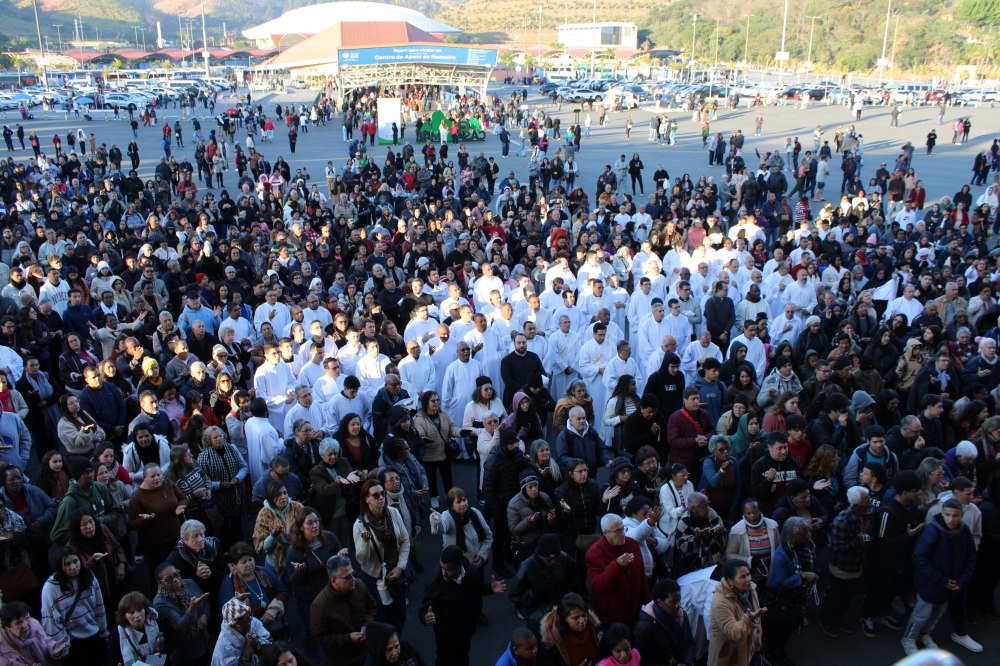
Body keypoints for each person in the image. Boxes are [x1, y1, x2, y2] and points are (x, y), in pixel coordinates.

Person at [902, 497, 982, 654]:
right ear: (942, 513)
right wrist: (942, 580)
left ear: (962, 515)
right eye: (947, 515)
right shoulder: (932, 531)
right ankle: (909, 638)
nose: (951, 519)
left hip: (950, 585)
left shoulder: (964, 531)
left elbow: (970, 557)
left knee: (938, 613)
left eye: (955, 515)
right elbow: (919, 558)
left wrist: (962, 580)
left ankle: (924, 634)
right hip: (931, 584)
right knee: (921, 614)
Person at [419, 544, 507, 666]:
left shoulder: (470, 572)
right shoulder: (435, 584)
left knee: (463, 657)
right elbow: (424, 610)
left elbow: (477, 588)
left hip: (466, 631)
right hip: (447, 637)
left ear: (459, 566)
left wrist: (490, 588)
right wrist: (425, 618)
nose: (444, 573)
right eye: (442, 568)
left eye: (449, 570)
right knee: (445, 661)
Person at [286, 507, 348, 659]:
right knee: (312, 633)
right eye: (309, 523)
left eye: (316, 521)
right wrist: (300, 571)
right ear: (301, 527)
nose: (315, 526)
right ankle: (312, 661)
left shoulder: (329, 537)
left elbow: (344, 565)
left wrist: (341, 556)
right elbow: (293, 582)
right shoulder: (295, 550)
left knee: (335, 628)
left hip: (331, 594)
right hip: (309, 601)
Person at [353, 479, 409, 634]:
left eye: (383, 493)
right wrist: (365, 542)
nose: (381, 497)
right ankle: (384, 645)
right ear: (366, 499)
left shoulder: (393, 513)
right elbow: (361, 560)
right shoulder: (360, 524)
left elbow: (405, 541)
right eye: (376, 495)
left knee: (399, 614)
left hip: (396, 571)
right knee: (380, 617)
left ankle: (395, 643)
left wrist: (400, 566)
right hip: (375, 577)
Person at [818, 485, 872, 638]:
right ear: (856, 506)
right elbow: (839, 548)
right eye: (867, 501)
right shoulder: (842, 521)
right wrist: (859, 539)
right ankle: (827, 620)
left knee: (848, 597)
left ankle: (838, 617)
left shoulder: (867, 516)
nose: (870, 503)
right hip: (843, 568)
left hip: (858, 566)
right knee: (836, 597)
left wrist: (865, 537)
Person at [766, 517, 820, 666]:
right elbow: (779, 584)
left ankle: (781, 652)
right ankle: (772, 654)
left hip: (799, 597)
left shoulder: (809, 544)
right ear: (792, 535)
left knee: (788, 628)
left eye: (808, 531)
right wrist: (801, 576)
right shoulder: (782, 554)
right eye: (804, 534)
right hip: (784, 598)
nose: (808, 535)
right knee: (778, 629)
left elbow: (812, 564)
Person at [40, 545, 108, 662]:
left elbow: (99, 606)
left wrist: (102, 632)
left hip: (93, 635)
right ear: (60, 566)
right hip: (72, 642)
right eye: (67, 564)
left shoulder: (88, 575)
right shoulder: (51, 587)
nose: (73, 567)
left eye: (75, 561)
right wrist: (63, 648)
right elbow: (50, 620)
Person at [309, 553, 376, 666]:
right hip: (339, 660)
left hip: (365, 652)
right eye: (347, 577)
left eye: (353, 574)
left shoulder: (359, 585)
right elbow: (318, 637)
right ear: (334, 581)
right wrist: (348, 638)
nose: (353, 579)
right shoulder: (320, 605)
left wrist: (366, 625)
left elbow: (372, 607)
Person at [586, 513, 650, 625]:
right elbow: (597, 585)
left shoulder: (632, 544)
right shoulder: (593, 554)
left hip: (635, 612)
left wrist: (648, 604)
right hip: (610, 618)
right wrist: (617, 565)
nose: (623, 534)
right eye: (618, 531)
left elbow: (642, 577)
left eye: (623, 529)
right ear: (605, 533)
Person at [509, 533, 585, 626]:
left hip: (563, 611)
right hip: (538, 617)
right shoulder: (526, 568)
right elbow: (517, 598)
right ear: (540, 554)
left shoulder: (564, 559)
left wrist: (569, 602)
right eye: (549, 559)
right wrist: (536, 592)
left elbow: (574, 583)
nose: (553, 562)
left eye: (555, 558)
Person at [220, 542, 290, 642]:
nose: (249, 564)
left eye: (250, 559)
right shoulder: (229, 583)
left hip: (275, 628)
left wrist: (272, 611)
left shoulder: (263, 572)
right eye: (243, 562)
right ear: (234, 565)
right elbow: (227, 613)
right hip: (251, 636)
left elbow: (283, 592)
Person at [707, 559, 765, 666]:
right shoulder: (719, 601)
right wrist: (749, 620)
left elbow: (757, 621)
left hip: (747, 652)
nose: (749, 579)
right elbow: (733, 632)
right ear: (730, 581)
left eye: (748, 574)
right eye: (743, 577)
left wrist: (757, 641)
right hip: (727, 658)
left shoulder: (751, 589)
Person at [153, 561, 211, 666]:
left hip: (202, 647)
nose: (175, 580)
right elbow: (181, 627)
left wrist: (205, 614)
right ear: (160, 583)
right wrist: (192, 607)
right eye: (168, 579)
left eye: (176, 574)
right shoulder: (160, 603)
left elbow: (204, 601)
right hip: (182, 657)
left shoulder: (189, 583)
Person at [253, 479, 305, 580]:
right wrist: (273, 536)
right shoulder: (264, 514)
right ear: (271, 497)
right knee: (280, 588)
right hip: (275, 563)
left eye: (285, 493)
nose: (283, 497)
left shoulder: (297, 507)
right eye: (279, 494)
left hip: (297, 558)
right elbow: (261, 547)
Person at [430, 486, 494, 567]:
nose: (463, 504)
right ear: (451, 506)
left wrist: (482, 554)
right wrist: (437, 520)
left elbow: (488, 536)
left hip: (477, 564)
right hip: (458, 567)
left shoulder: (475, 512)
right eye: (458, 502)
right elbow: (441, 528)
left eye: (464, 500)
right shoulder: (447, 516)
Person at [508, 469, 557, 562]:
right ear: (524, 488)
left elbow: (552, 525)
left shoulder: (545, 498)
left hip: (544, 543)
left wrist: (552, 519)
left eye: (535, 485)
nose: (534, 489)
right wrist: (528, 521)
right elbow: (513, 530)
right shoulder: (514, 504)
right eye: (530, 487)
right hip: (527, 546)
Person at [539, 593, 600, 666]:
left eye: (584, 615)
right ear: (565, 618)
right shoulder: (552, 642)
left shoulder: (595, 627)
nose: (582, 621)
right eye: (576, 618)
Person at [0, 600, 68, 666]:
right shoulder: (3, 644)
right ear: (7, 627)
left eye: (27, 618)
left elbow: (45, 641)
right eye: (18, 623)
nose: (25, 625)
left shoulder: (34, 625)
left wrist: (52, 648)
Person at [676, 492, 728, 574]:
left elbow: (723, 536)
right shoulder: (684, 522)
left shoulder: (711, 513)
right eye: (704, 506)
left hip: (714, 561)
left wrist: (719, 532)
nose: (708, 508)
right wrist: (697, 537)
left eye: (708, 504)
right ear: (693, 508)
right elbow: (683, 548)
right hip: (693, 566)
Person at [212, 597, 272, 666]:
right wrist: (248, 647)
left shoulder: (253, 622)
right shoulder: (225, 643)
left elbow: (270, 642)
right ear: (232, 625)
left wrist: (258, 641)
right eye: (243, 623)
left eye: (248, 618)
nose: (248, 623)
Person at [362, 621, 426, 666]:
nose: (395, 653)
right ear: (379, 649)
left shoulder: (406, 647)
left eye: (397, 646)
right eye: (389, 649)